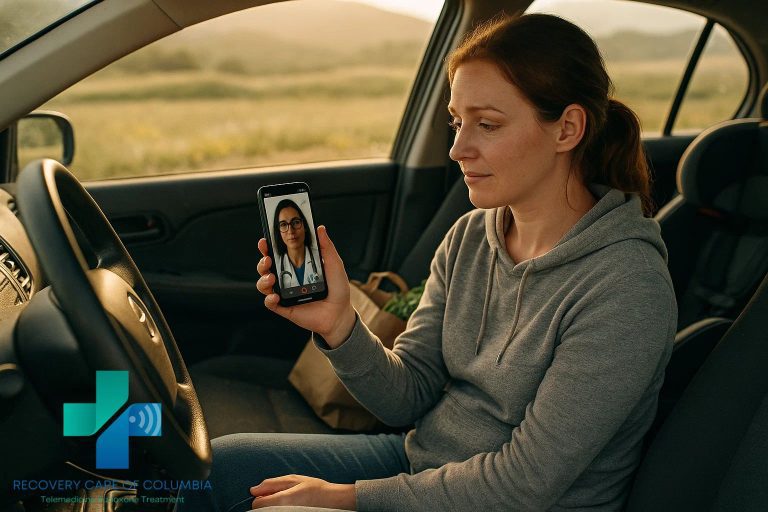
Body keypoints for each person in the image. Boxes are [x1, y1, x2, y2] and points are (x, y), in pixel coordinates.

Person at [178, 13, 677, 512]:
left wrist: (349, 498)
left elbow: (525, 483)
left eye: (488, 124)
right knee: (215, 467)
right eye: (457, 122)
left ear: (567, 128)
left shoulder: (627, 286)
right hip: (422, 462)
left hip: (519, 502)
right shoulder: (468, 238)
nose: (458, 148)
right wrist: (339, 325)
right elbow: (407, 397)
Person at [272, 199, 323, 288]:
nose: (291, 231)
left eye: (295, 222)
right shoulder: (274, 267)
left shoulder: (323, 258)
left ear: (305, 226)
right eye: (283, 224)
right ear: (278, 232)